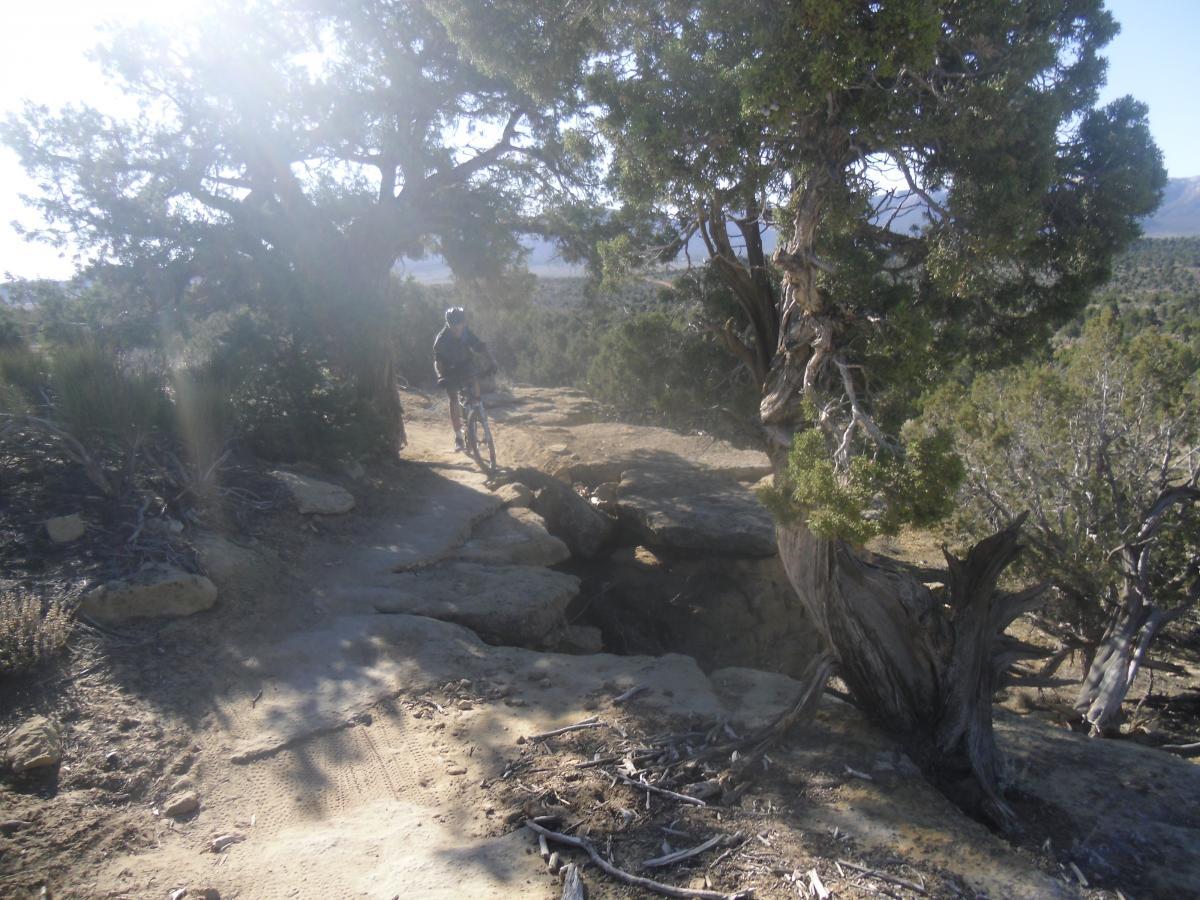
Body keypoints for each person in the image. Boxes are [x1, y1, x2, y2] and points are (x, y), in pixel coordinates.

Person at [433, 306, 497, 451]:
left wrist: (493, 362)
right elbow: (437, 362)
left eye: (459, 323)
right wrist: (440, 376)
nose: (456, 327)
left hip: (465, 364)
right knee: (454, 399)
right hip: (449, 368)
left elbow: (481, 347)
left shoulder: (466, 334)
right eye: (453, 324)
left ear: (464, 323)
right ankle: (458, 437)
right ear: (448, 324)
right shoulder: (441, 339)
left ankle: (478, 407)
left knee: (473, 379)